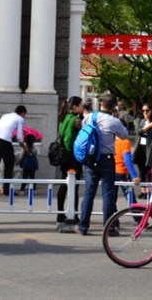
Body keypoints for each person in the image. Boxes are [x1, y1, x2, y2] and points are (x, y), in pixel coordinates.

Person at [77, 95, 129, 236]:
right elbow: (124, 135)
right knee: (108, 194)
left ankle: (83, 226)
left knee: (89, 193)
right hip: (107, 159)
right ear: (113, 107)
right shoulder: (114, 121)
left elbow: (84, 130)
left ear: (101, 104)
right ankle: (109, 228)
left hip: (91, 158)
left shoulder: (90, 117)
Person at [0, 105, 30, 196]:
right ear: (23, 113)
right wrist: (24, 147)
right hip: (5, 140)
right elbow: (19, 137)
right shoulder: (20, 119)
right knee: (9, 164)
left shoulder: (6, 115)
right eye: (25, 115)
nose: (24, 117)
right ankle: (6, 190)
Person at [56, 96, 84, 232]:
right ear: (75, 107)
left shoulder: (64, 118)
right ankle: (74, 214)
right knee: (73, 186)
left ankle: (60, 213)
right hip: (73, 156)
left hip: (64, 156)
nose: (82, 107)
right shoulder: (76, 121)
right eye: (81, 105)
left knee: (64, 184)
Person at [132, 102, 152, 182]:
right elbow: (138, 132)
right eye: (143, 111)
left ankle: (146, 191)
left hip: (149, 149)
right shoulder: (140, 121)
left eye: (147, 110)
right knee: (141, 169)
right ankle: (143, 192)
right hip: (140, 148)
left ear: (151, 111)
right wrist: (148, 126)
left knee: (147, 169)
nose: (145, 112)